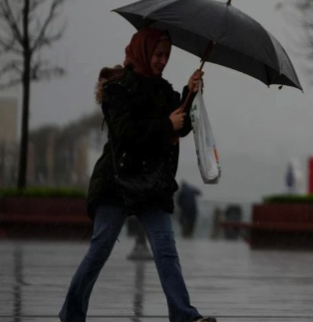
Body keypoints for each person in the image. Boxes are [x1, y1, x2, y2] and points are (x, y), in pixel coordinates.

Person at [58, 28, 216, 322]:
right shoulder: (118, 89)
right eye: (158, 54)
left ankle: (184, 316)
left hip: (151, 184)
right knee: (100, 249)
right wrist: (165, 125)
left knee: (166, 250)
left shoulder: (164, 91)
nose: (163, 61)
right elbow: (125, 134)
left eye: (167, 55)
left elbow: (180, 125)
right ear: (143, 51)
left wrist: (190, 93)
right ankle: (72, 314)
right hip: (116, 180)